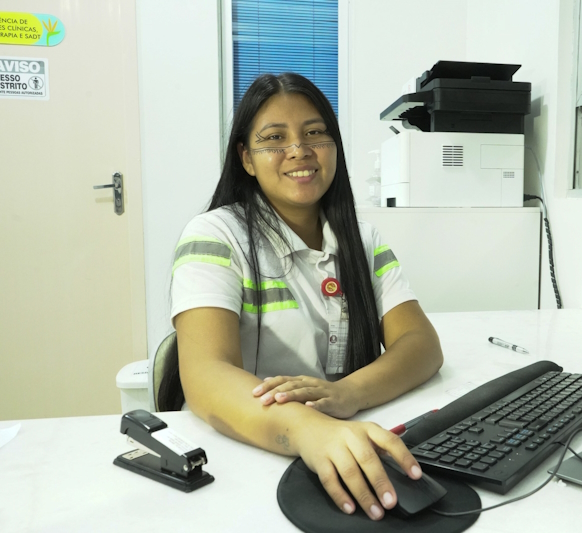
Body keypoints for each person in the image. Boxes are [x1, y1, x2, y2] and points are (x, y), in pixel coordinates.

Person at [160, 72, 444, 521]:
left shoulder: (362, 240)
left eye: (315, 133)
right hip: (243, 457)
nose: (299, 150)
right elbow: (204, 374)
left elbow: (422, 345)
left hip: (340, 442)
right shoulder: (216, 235)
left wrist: (347, 393)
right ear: (247, 159)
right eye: (275, 138)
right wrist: (308, 428)